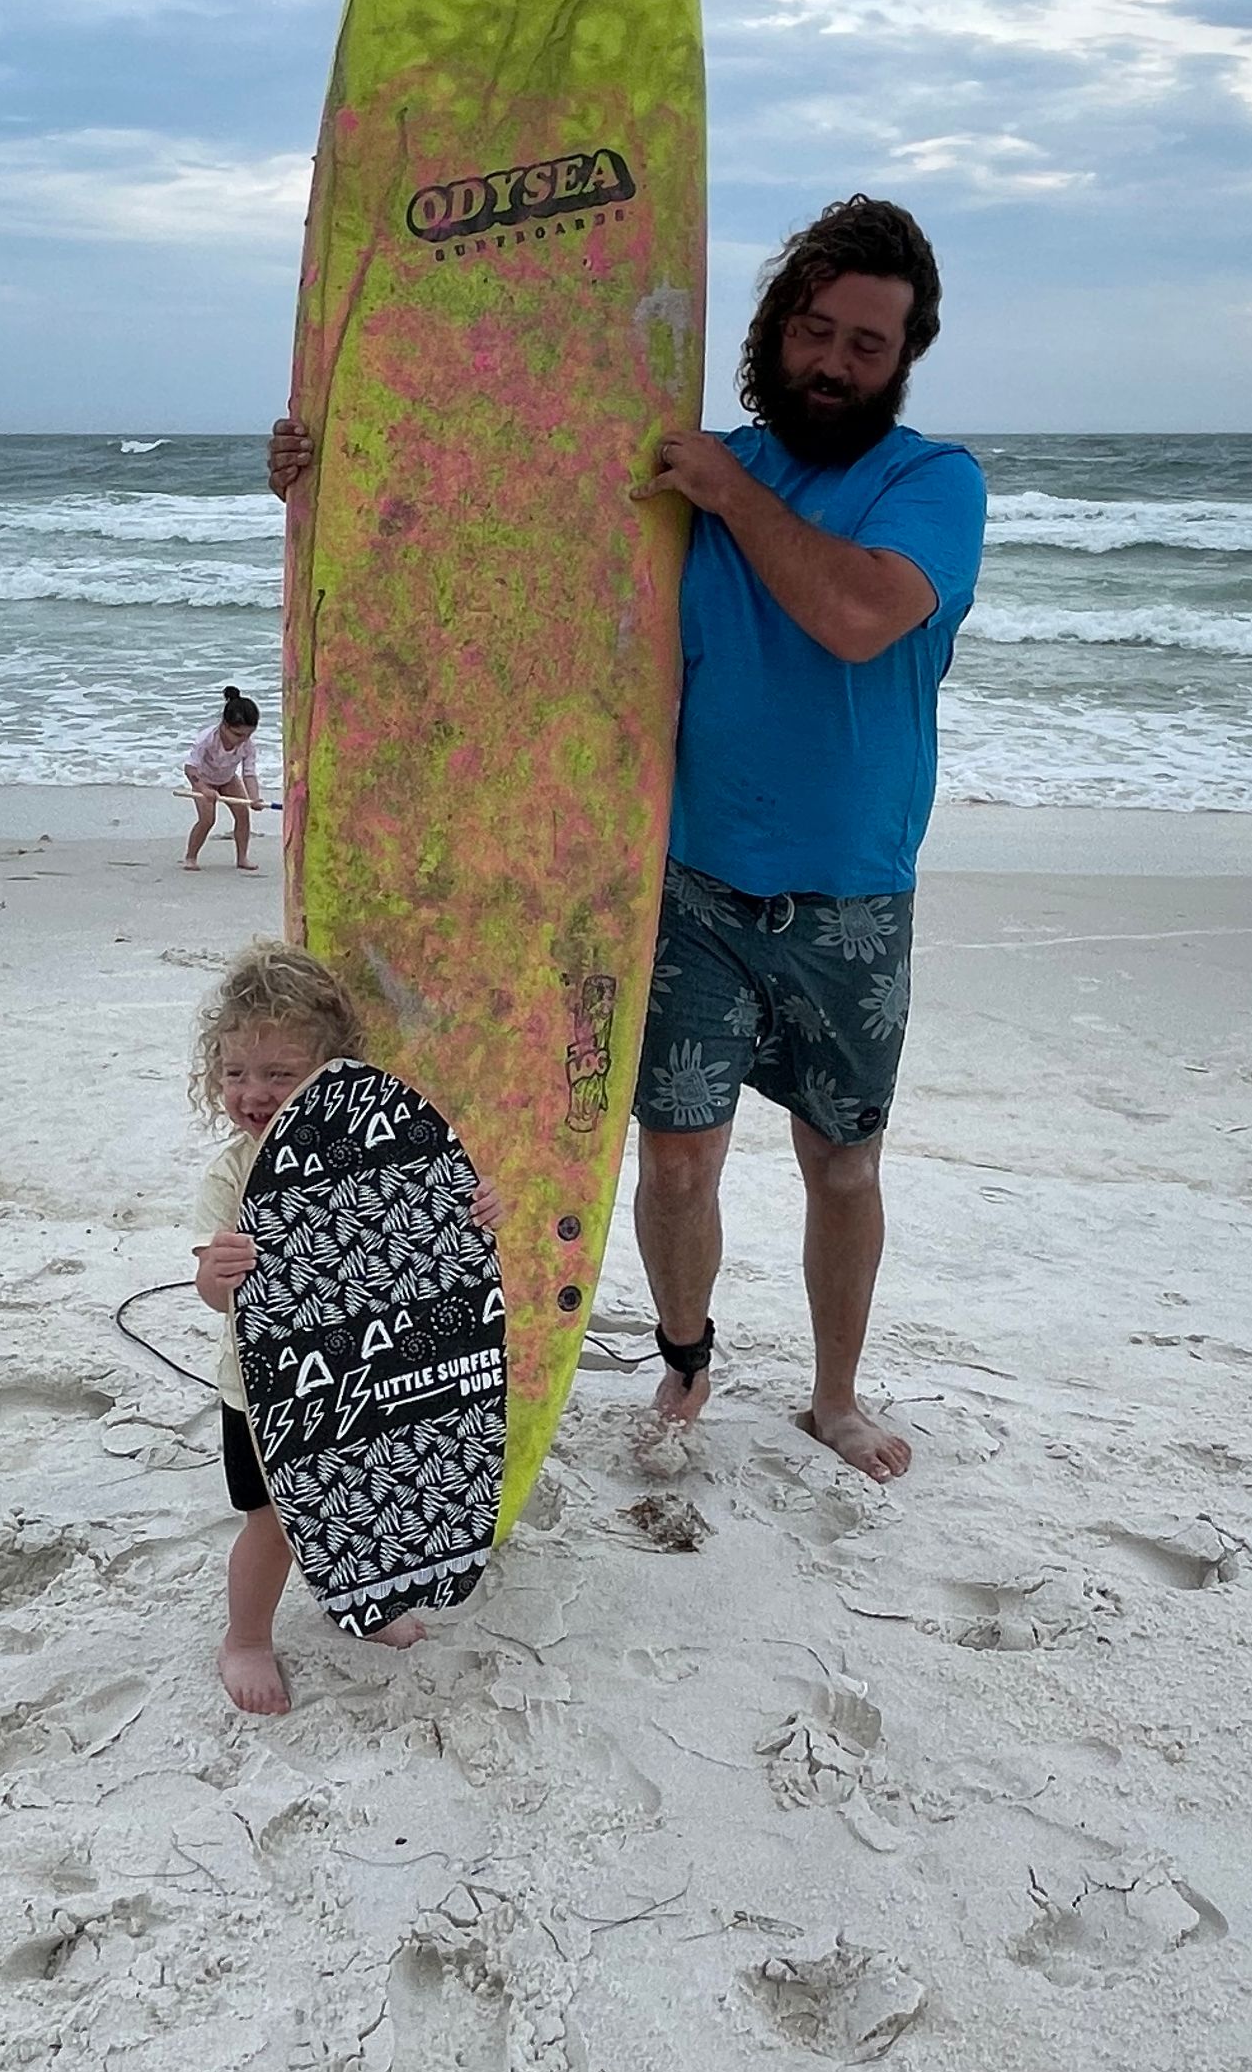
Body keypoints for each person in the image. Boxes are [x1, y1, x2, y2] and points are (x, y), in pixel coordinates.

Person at [267, 194, 984, 1493]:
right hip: (690, 884)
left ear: (906, 357)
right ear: (777, 324)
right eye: (815, 329)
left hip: (852, 897)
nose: (833, 360)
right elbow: (496, 517)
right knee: (676, 1156)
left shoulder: (931, 483)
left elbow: (863, 613)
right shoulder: (692, 463)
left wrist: (729, 495)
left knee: (842, 1163)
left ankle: (833, 1396)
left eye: (867, 344)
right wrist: (330, 469)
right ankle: (687, 1353)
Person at [190, 940, 503, 1715]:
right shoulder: (232, 1174)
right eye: (234, 1073)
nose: (252, 1093)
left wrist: (473, 1215)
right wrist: (218, 1274)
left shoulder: (384, 1154)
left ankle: (360, 1599)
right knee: (275, 1524)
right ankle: (248, 1637)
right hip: (268, 1395)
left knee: (365, 1488)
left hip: (367, 1373)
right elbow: (212, 1292)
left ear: (332, 1077)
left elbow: (432, 1255)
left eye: (278, 1074)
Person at [182, 686, 264, 872]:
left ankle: (242, 858)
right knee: (207, 819)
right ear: (225, 725)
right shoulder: (206, 739)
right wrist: (203, 789)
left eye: (248, 735)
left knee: (243, 815)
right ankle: (191, 856)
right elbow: (190, 768)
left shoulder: (248, 746)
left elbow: (249, 773)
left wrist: (255, 798)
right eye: (238, 734)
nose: (243, 739)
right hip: (203, 779)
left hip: (228, 779)